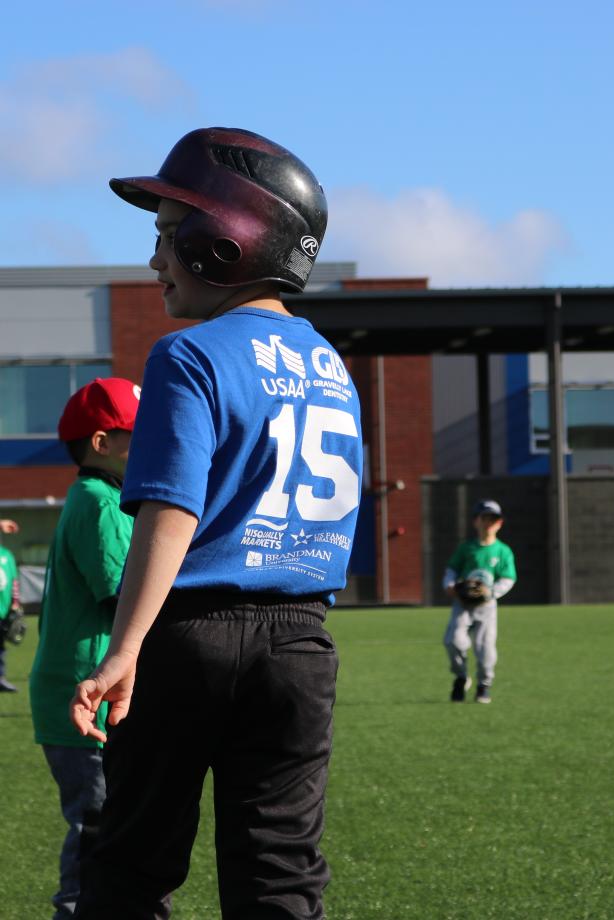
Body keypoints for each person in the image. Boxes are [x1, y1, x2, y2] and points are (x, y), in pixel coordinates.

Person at [70, 127, 363, 920]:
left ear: (223, 243)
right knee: (280, 870)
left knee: (132, 861)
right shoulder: (334, 369)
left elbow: (172, 507)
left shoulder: (188, 355)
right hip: (303, 644)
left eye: (169, 237)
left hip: (192, 636)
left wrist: (124, 649)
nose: (156, 260)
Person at [29, 377, 141, 919]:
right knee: (96, 822)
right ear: (101, 443)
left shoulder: (99, 496)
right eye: (135, 436)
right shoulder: (101, 503)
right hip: (84, 693)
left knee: (102, 818)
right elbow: (126, 596)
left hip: (80, 688)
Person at [442, 499, 516, 704]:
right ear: (476, 521)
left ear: (499, 523)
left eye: (493, 519)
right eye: (485, 518)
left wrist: (490, 592)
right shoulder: (467, 548)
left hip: (486, 606)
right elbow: (452, 570)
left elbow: (508, 578)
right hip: (463, 604)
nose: (489, 522)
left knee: (485, 649)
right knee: (452, 642)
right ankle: (461, 677)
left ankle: (484, 685)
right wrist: (449, 585)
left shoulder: (503, 551)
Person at [0, 531, 21, 692]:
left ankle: (0, 678)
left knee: (1, 646)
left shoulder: (6, 555)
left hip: (3, 609)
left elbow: (14, 581)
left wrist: (15, 604)